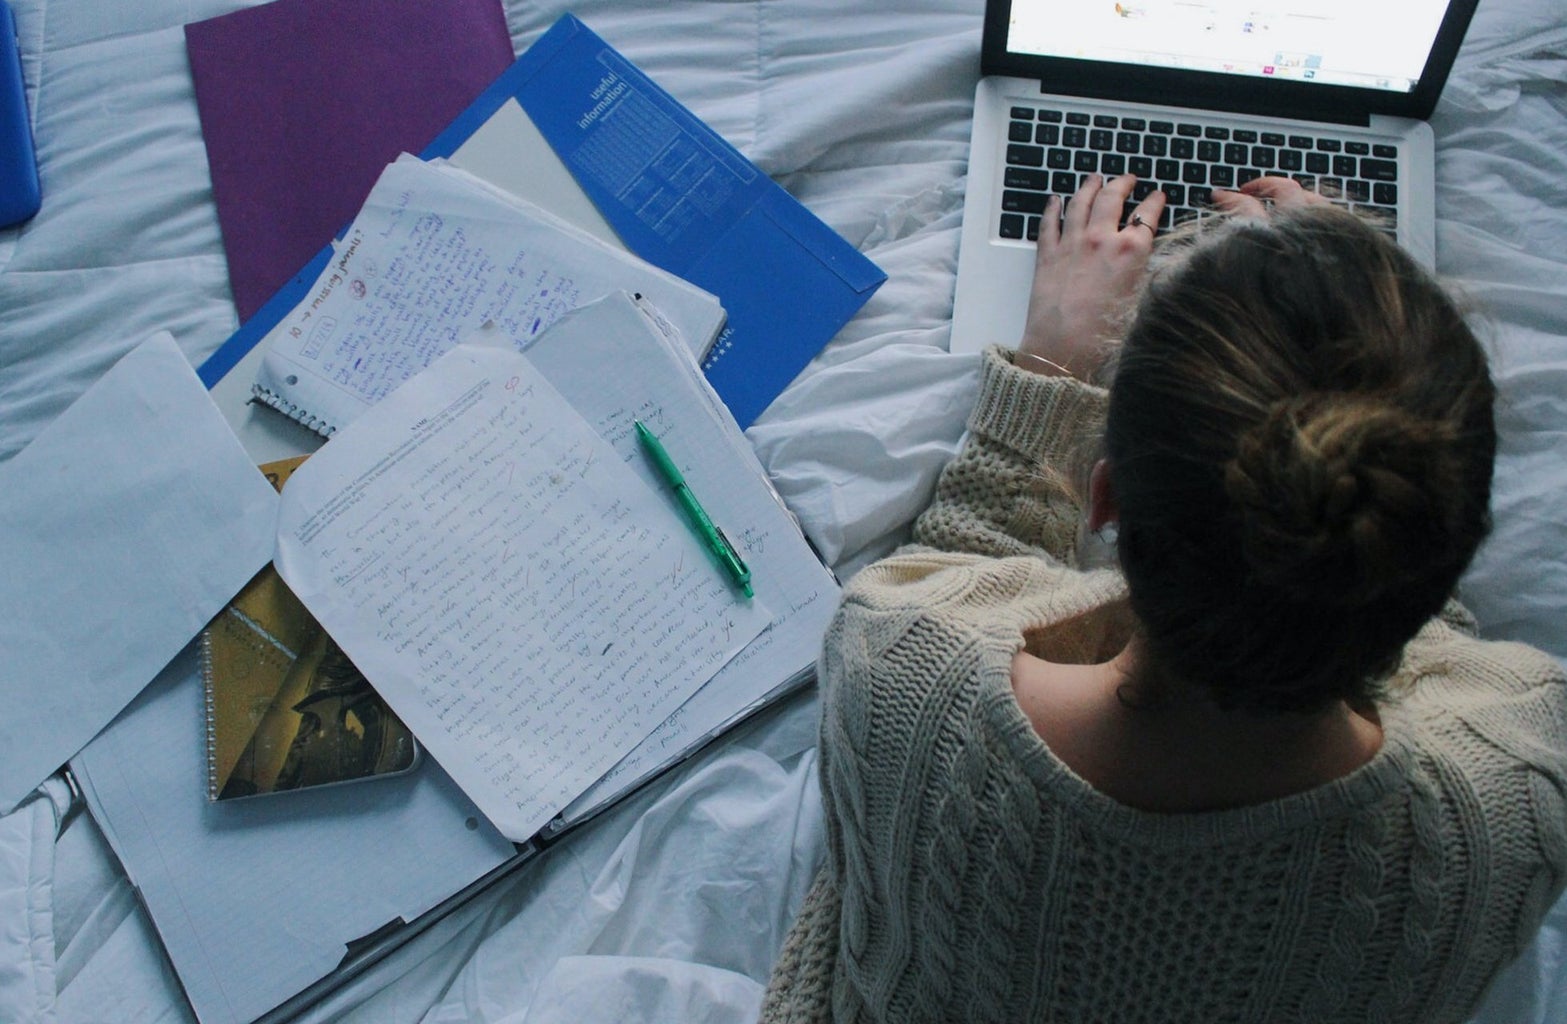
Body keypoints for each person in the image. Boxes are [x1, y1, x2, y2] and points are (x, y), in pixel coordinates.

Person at [758, 174, 1567, 1023]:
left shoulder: (895, 670)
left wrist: (1048, 366)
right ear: (1454, 537)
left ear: (1101, 500)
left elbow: (958, 565)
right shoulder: (1513, 797)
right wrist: (1374, 313)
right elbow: (1439, 640)